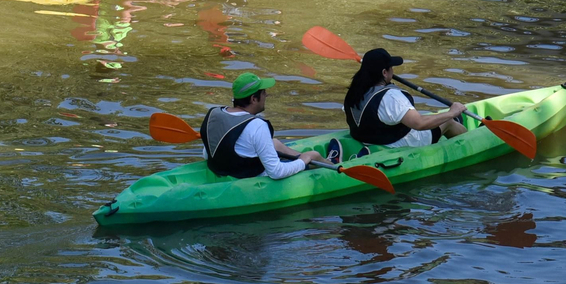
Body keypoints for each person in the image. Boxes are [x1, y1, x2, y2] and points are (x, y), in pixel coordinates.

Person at [199, 73, 327, 180]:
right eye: (264, 93)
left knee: (275, 143)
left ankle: (304, 157)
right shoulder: (257, 125)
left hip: (225, 169)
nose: (266, 95)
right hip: (252, 177)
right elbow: (276, 172)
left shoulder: (214, 114)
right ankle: (332, 165)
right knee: (313, 155)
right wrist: (303, 161)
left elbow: (206, 154)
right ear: (254, 99)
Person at [343, 47, 466, 151]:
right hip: (397, 143)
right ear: (384, 72)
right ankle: (470, 141)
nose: (393, 70)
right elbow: (419, 123)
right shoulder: (391, 97)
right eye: (391, 67)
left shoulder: (355, 92)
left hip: (368, 139)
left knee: (432, 117)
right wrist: (452, 112)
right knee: (448, 121)